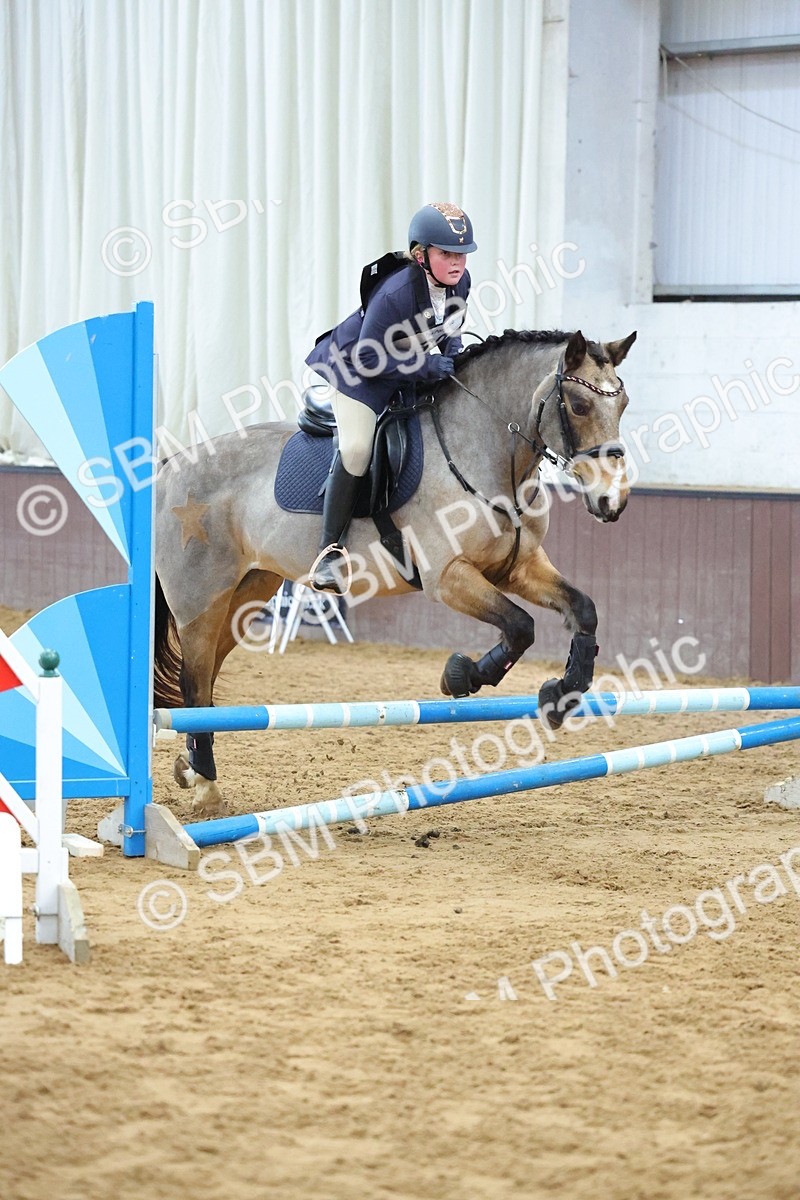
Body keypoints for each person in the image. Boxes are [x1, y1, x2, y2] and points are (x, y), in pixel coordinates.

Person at [305, 201, 477, 592]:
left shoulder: (460, 284)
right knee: (356, 449)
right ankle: (328, 552)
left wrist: (453, 360)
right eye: (446, 253)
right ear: (421, 255)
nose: (457, 263)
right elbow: (367, 357)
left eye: (462, 255)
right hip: (358, 375)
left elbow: (451, 331)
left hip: (402, 371)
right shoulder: (395, 293)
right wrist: (425, 368)